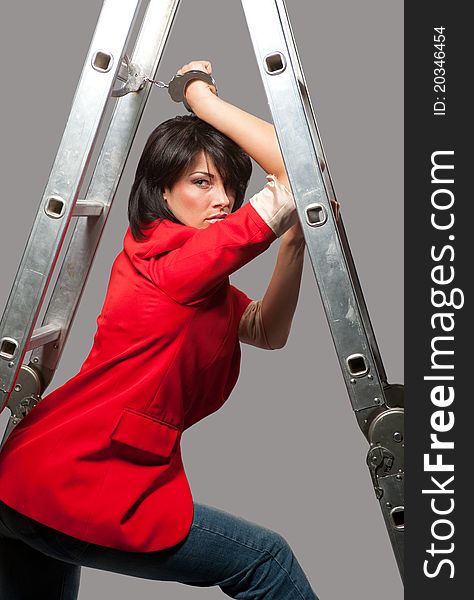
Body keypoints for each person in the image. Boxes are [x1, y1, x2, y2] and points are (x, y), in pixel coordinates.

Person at [0, 60, 319, 599]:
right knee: (269, 561)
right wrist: (199, 98)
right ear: (162, 192)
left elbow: (265, 328)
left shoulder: (180, 272)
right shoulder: (177, 267)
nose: (224, 200)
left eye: (231, 187)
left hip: (28, 486)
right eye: (202, 182)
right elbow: (297, 169)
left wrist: (295, 240)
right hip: (74, 482)